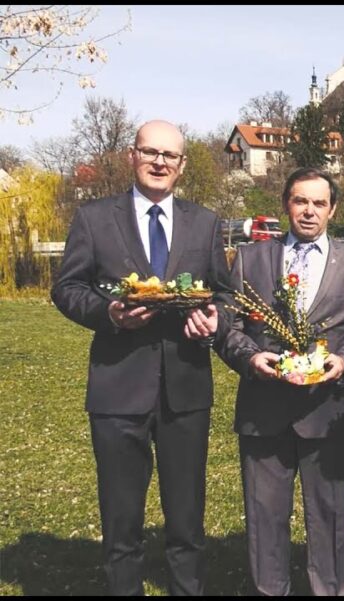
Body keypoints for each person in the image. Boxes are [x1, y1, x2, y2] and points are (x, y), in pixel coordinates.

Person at [51, 120, 232, 595]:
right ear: (131, 156)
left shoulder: (206, 222)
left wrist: (214, 320)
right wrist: (109, 312)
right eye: (150, 152)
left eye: (169, 155)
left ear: (182, 165)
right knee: (121, 518)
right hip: (117, 388)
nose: (159, 162)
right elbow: (67, 288)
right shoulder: (94, 219)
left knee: (187, 518)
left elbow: (227, 297)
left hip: (186, 389)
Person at [217, 167, 344, 596]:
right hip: (263, 408)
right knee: (264, 516)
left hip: (328, 411)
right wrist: (251, 358)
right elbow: (226, 327)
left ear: (333, 209)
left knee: (330, 517)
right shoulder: (251, 259)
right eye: (300, 201)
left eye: (319, 203)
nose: (309, 211)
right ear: (286, 204)